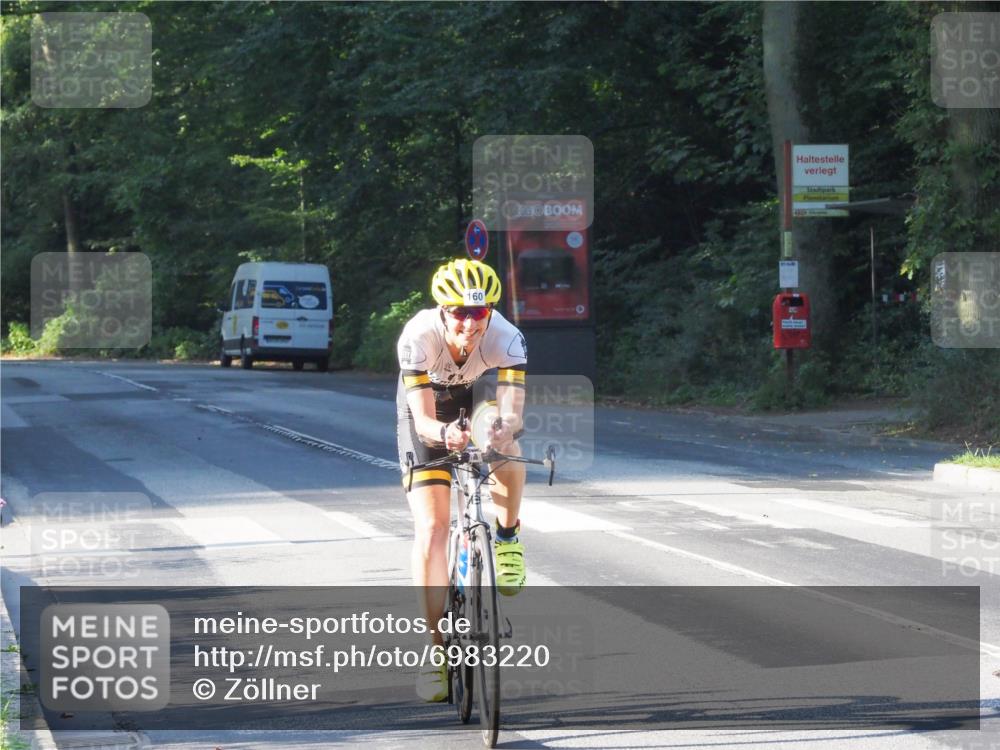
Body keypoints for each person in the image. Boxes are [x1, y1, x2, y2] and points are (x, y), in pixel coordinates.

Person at [396, 258, 528, 702]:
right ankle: (435, 652)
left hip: (476, 398)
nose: (470, 323)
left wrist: (502, 429)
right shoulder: (418, 337)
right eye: (459, 312)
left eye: (480, 312)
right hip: (429, 412)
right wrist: (446, 435)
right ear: (442, 310)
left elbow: (511, 410)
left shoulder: (507, 337)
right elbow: (423, 421)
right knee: (432, 529)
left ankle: (507, 539)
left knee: (507, 442)